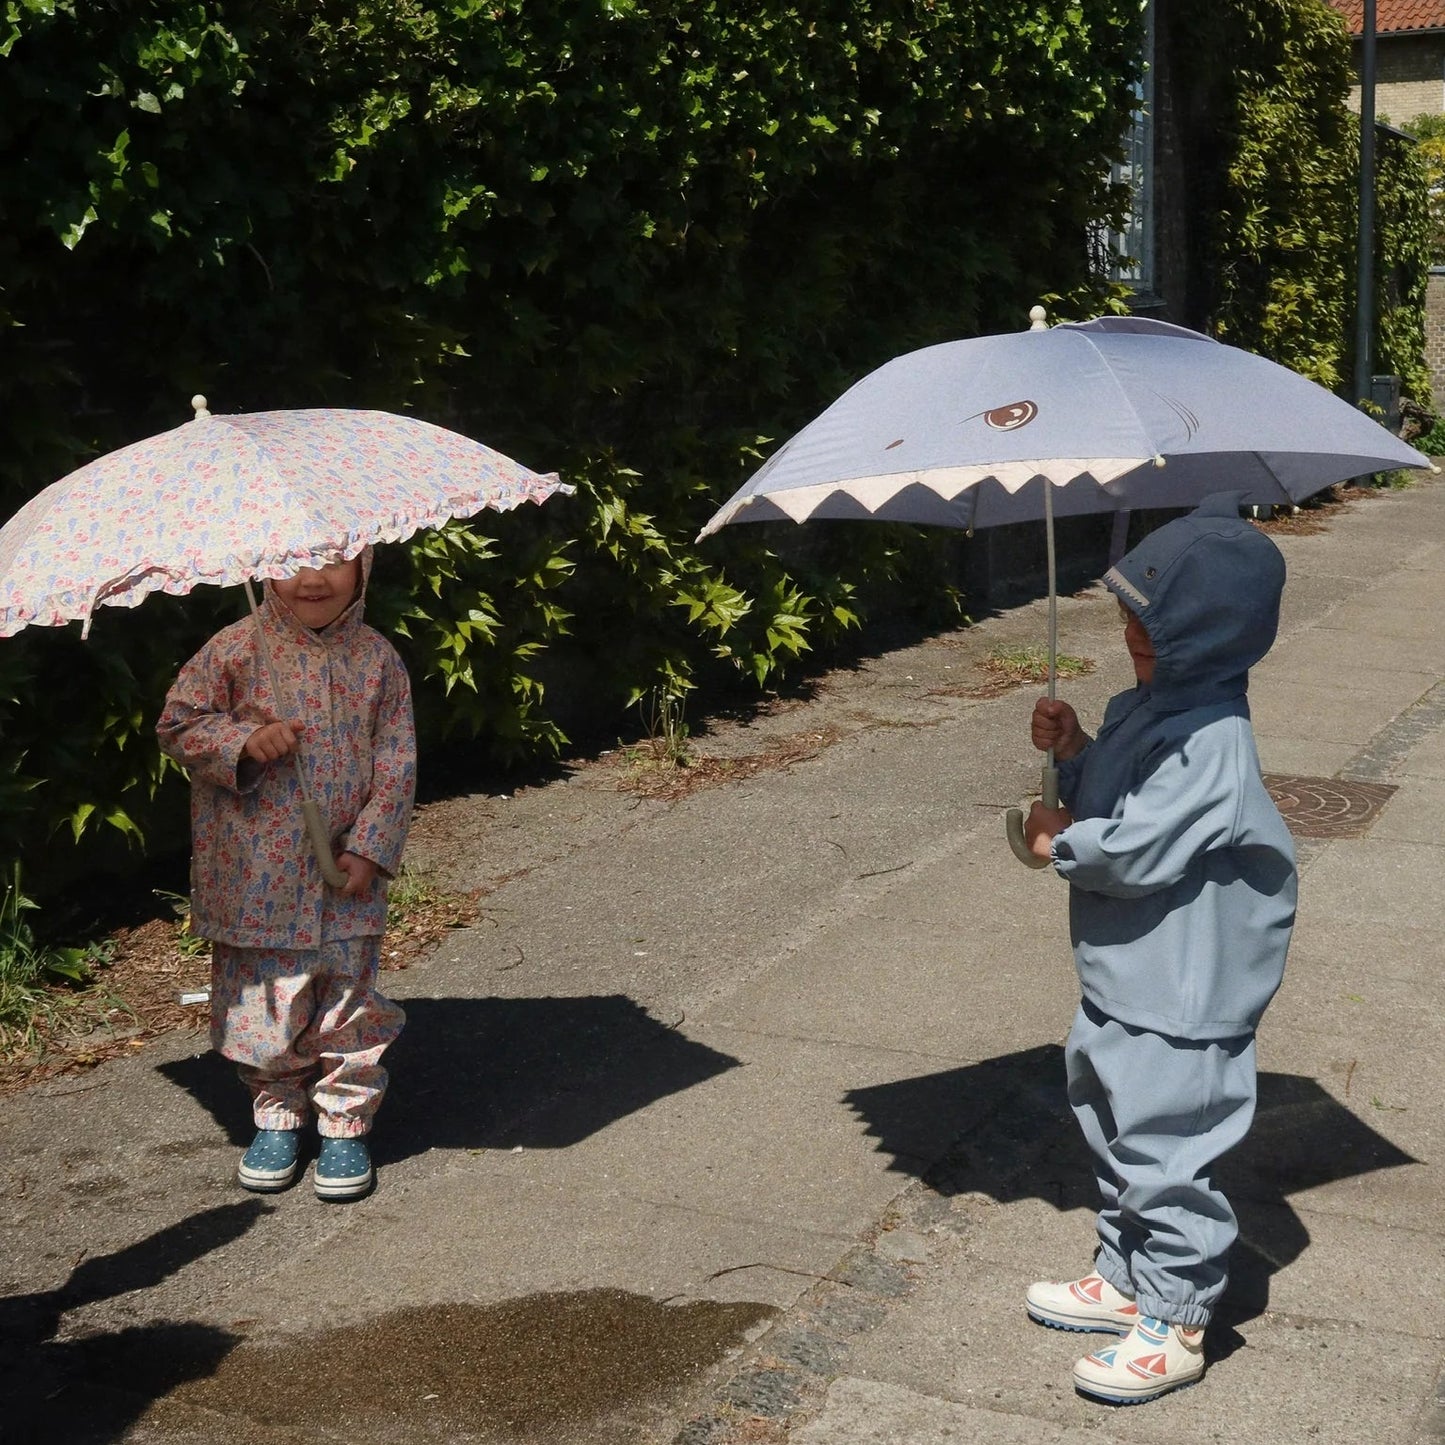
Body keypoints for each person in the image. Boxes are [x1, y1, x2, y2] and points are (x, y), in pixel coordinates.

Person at [1020, 492, 1297, 1404]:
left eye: (1152, 628)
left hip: (1181, 990)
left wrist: (1062, 840)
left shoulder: (1213, 739)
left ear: (1209, 637)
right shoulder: (1149, 708)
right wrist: (1073, 753)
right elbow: (1116, 789)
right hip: (1129, 972)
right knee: (1108, 1119)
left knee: (1167, 1147)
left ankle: (1176, 1314)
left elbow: (1137, 843)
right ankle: (1123, 1271)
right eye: (1131, 623)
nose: (1133, 642)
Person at [157, 550, 415, 1202]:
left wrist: (372, 844)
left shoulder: (377, 659)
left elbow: (395, 759)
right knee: (264, 1003)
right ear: (261, 564)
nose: (312, 578)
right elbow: (178, 724)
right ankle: (276, 1110)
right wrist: (240, 740)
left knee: (346, 1000)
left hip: (344, 874)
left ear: (365, 564)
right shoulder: (233, 649)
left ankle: (344, 1122)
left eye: (334, 560)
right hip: (254, 875)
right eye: (292, 560)